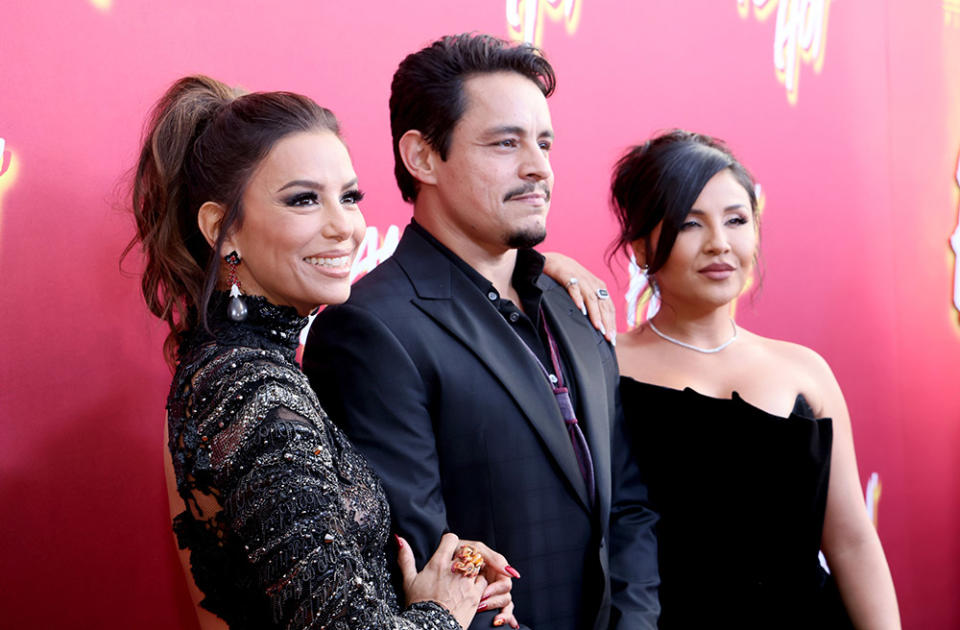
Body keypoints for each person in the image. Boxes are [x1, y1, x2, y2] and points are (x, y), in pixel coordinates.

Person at [125, 75, 519, 630]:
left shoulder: (230, 367)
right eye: (305, 199)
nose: (346, 227)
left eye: (350, 197)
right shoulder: (254, 392)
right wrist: (443, 612)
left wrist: (436, 577)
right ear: (223, 230)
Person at [302, 34, 659, 630]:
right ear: (421, 157)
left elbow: (628, 508)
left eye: (544, 143)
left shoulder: (578, 305)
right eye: (505, 143)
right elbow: (414, 560)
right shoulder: (369, 330)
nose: (538, 167)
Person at [543, 130, 901, 629]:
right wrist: (542, 266)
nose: (720, 243)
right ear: (642, 247)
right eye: (691, 224)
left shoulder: (806, 372)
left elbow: (852, 541)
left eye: (737, 220)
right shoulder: (601, 367)